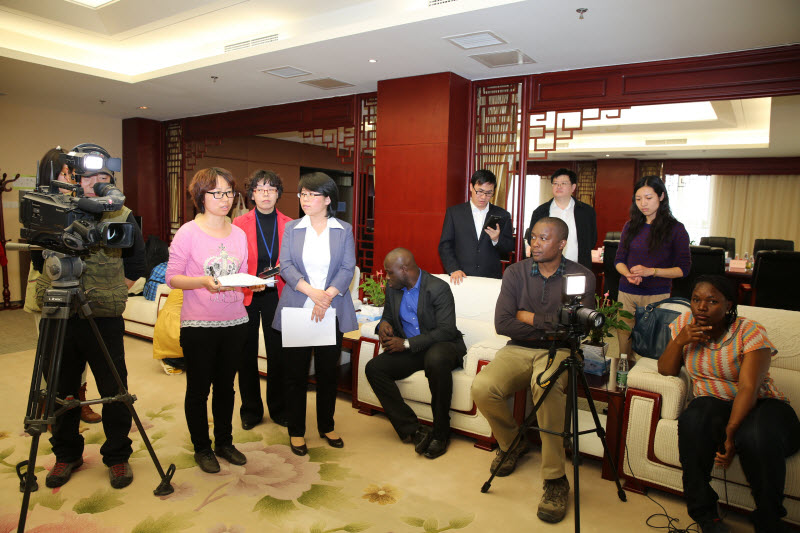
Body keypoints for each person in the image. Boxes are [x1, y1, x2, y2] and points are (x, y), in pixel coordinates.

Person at [36, 143, 147, 490]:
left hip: (103, 316)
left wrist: (107, 290)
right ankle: (66, 454)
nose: (93, 184)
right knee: (61, 389)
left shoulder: (122, 214)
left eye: (102, 178)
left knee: (114, 389)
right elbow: (39, 261)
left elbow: (137, 264)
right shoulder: (54, 209)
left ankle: (117, 455)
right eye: (85, 177)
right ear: (72, 179)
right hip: (59, 312)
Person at [471, 217, 595, 524]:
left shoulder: (581, 276)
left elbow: (578, 329)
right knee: (482, 387)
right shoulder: (516, 272)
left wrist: (529, 318)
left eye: (543, 238)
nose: (535, 244)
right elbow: (503, 323)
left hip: (561, 351)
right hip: (518, 348)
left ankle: (555, 480)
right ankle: (512, 443)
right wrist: (551, 324)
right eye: (533, 237)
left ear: (561, 244)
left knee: (545, 384)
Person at [658, 275, 800, 533]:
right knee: (693, 420)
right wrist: (679, 341)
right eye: (696, 300)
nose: (701, 307)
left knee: (754, 436)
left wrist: (730, 434)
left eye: (712, 301)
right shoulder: (684, 324)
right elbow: (666, 370)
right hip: (714, 404)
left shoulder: (749, 331)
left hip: (763, 404)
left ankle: (768, 518)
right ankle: (704, 513)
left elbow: (749, 388)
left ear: (728, 305)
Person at [166, 167, 264, 474]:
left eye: (229, 193)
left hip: (235, 321)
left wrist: (251, 284)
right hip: (198, 324)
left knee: (226, 388)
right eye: (217, 193)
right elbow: (172, 278)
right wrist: (202, 282)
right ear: (200, 196)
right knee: (198, 390)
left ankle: (224, 442)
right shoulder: (188, 232)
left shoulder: (238, 233)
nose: (225, 199)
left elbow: (239, 273)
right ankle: (202, 448)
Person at [273, 172, 357, 456]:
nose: (305, 199)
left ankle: (327, 426)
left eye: (312, 195)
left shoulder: (343, 229)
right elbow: (285, 265)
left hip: (331, 310)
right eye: (303, 194)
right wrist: (312, 293)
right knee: (295, 374)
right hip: (298, 307)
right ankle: (297, 431)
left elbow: (347, 268)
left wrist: (327, 296)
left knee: (327, 373)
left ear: (328, 199)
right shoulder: (292, 228)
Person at [25, 147, 103, 424]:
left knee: (79, 345)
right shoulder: (37, 202)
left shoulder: (80, 203)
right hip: (48, 280)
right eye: (63, 173)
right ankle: (48, 401)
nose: (69, 179)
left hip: (78, 279)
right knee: (50, 350)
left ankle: (78, 399)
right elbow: (37, 255)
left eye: (72, 174)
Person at [365, 248, 466, 459]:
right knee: (374, 368)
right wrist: (384, 324)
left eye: (389, 272)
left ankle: (441, 433)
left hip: (443, 346)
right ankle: (414, 430)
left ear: (404, 269)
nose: (387, 277)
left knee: (435, 359)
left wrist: (407, 343)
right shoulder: (393, 288)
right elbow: (388, 315)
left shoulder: (438, 288)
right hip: (414, 349)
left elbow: (446, 330)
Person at [233, 170, 292, 429]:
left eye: (271, 189)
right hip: (247, 293)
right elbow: (234, 260)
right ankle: (251, 410)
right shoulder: (238, 223)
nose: (266, 194)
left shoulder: (291, 224)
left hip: (277, 294)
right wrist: (248, 280)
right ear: (252, 194)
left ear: (278, 193)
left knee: (278, 352)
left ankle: (279, 408)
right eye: (260, 189)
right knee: (245, 352)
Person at [614, 175, 691, 357]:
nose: (643, 204)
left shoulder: (676, 229)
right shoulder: (630, 226)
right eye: (638, 199)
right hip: (627, 292)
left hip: (657, 295)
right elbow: (619, 260)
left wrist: (651, 272)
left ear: (661, 196)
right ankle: (624, 372)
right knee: (624, 344)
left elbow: (683, 269)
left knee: (650, 346)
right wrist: (628, 274)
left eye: (648, 198)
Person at [438, 169, 514, 284]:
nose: (483, 197)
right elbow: (445, 245)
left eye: (489, 193)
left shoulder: (502, 215)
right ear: (471, 187)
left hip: (490, 278)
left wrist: (496, 239)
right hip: (461, 276)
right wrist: (453, 268)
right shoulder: (454, 213)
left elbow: (509, 247)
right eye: (480, 191)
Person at [527, 168, 597, 270]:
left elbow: (592, 240)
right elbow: (532, 239)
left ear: (573, 187)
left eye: (563, 183)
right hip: (546, 268)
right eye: (555, 183)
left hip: (578, 267)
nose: (558, 186)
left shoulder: (586, 211)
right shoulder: (540, 211)